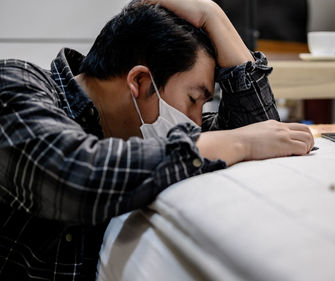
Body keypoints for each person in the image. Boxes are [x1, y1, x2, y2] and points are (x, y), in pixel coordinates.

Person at [0, 0, 314, 280]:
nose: (193, 122)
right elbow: (74, 176)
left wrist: (214, 16)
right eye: (193, 99)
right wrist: (237, 143)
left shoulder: (137, 131)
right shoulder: (14, 84)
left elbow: (264, 134)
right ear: (139, 81)